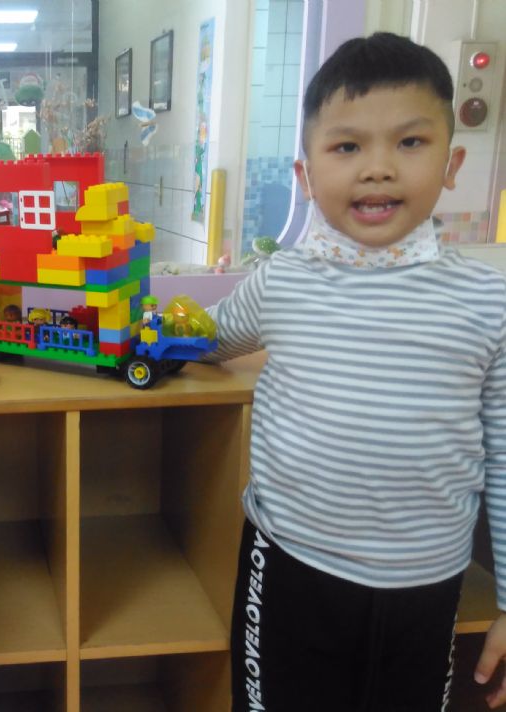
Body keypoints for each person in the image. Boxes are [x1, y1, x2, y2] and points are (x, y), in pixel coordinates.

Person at [202, 33, 506, 711]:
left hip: (427, 584)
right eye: (346, 147)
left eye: (410, 142)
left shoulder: (489, 301)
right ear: (305, 175)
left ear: (451, 163)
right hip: (291, 566)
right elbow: (209, 338)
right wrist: (132, 337)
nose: (378, 169)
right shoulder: (282, 280)